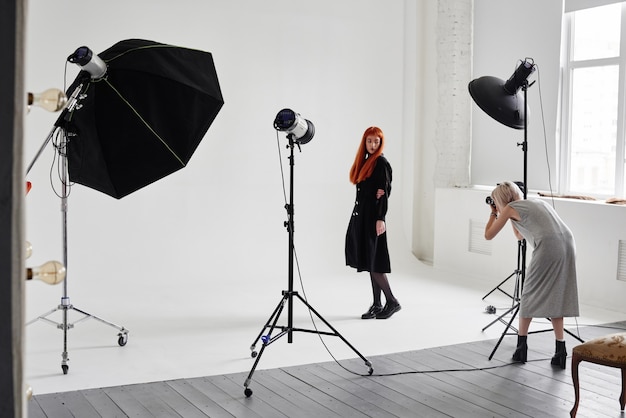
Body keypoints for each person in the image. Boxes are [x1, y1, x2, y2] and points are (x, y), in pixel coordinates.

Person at [484, 181, 579, 369]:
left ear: (500, 200)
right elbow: (520, 236)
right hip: (568, 243)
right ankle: (561, 350)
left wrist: (494, 212)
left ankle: (521, 348)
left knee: (527, 295)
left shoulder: (509, 208)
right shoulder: (535, 202)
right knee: (556, 295)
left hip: (549, 247)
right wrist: (509, 216)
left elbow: (488, 235)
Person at [345, 126, 400, 320]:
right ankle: (377, 304)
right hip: (362, 217)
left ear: (381, 143)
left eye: (376, 141)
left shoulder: (381, 163)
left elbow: (384, 194)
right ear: (364, 142)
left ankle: (391, 301)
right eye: (369, 141)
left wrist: (380, 218)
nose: (373, 144)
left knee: (375, 263)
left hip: (373, 219)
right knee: (370, 261)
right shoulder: (367, 162)